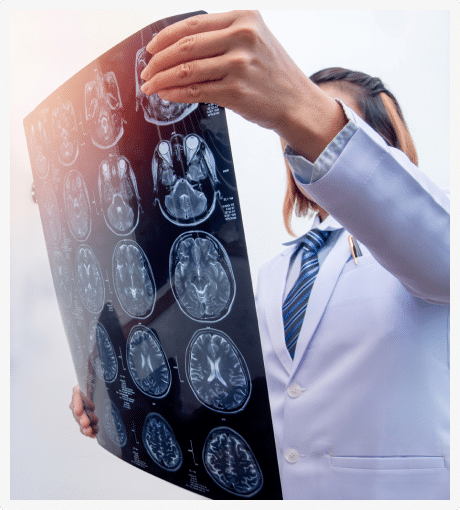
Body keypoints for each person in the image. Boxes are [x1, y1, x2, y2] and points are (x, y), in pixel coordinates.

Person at [70, 11, 449, 499]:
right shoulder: (268, 278)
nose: (298, 146)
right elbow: (222, 401)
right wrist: (117, 394)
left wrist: (295, 104)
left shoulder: (431, 239)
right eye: (290, 136)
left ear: (383, 146)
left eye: (322, 122)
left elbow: (438, 256)